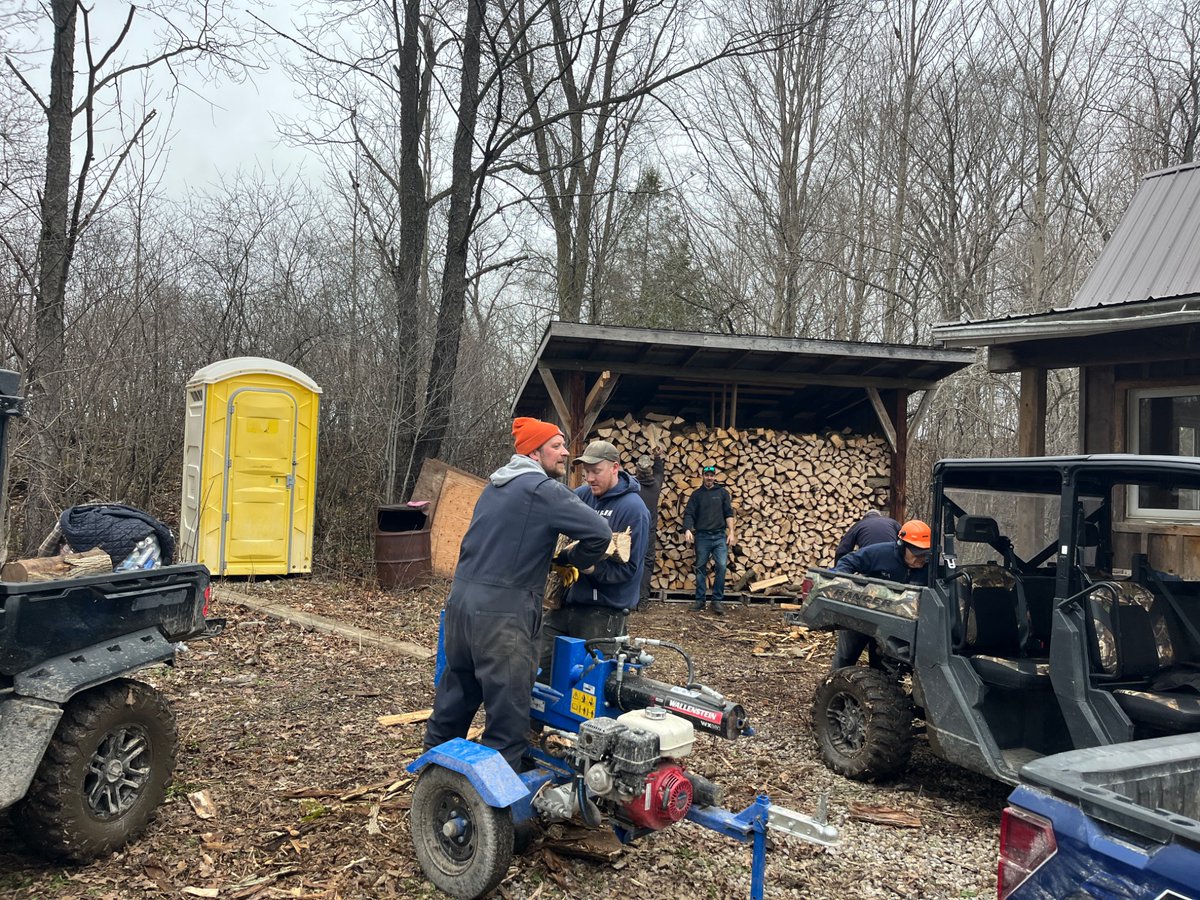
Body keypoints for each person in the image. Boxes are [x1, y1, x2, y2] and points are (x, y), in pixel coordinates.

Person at [423, 417, 611, 772]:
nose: (565, 453)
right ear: (534, 453)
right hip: (503, 617)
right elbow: (600, 533)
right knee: (507, 718)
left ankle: (433, 780)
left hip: (461, 606)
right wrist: (572, 560)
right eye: (556, 446)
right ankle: (495, 800)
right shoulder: (542, 489)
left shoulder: (495, 486)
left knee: (455, 697)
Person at [539, 440, 650, 675]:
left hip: (603, 612)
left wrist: (589, 567)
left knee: (590, 681)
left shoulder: (633, 509)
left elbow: (629, 570)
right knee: (539, 667)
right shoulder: (581, 496)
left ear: (615, 467)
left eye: (596, 471)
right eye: (586, 472)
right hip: (565, 603)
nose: (589, 478)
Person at [829, 519, 932, 669]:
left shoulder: (929, 567)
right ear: (902, 546)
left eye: (925, 554)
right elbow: (848, 561)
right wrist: (841, 580)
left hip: (891, 622)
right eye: (917, 554)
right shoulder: (881, 553)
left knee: (881, 665)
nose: (921, 558)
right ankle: (832, 681)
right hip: (863, 613)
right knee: (845, 657)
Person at [683, 464, 735, 615]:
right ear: (703, 476)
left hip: (719, 536)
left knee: (722, 566)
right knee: (700, 568)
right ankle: (700, 600)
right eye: (707, 475)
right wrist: (687, 529)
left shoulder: (722, 493)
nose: (709, 478)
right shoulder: (696, 495)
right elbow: (689, 513)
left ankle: (717, 601)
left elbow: (728, 513)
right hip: (702, 536)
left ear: (714, 477)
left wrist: (731, 532)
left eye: (711, 475)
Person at [634, 447, 665, 611]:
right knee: (646, 564)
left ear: (637, 471)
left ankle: (630, 598)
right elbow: (660, 472)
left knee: (630, 561)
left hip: (633, 530)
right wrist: (657, 457)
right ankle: (643, 600)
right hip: (649, 532)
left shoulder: (633, 486)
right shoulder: (655, 486)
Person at [835, 508, 900, 562]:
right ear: (880, 516)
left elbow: (842, 550)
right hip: (892, 558)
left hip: (869, 559)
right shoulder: (893, 523)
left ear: (864, 518)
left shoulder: (859, 524)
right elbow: (903, 541)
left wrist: (837, 570)